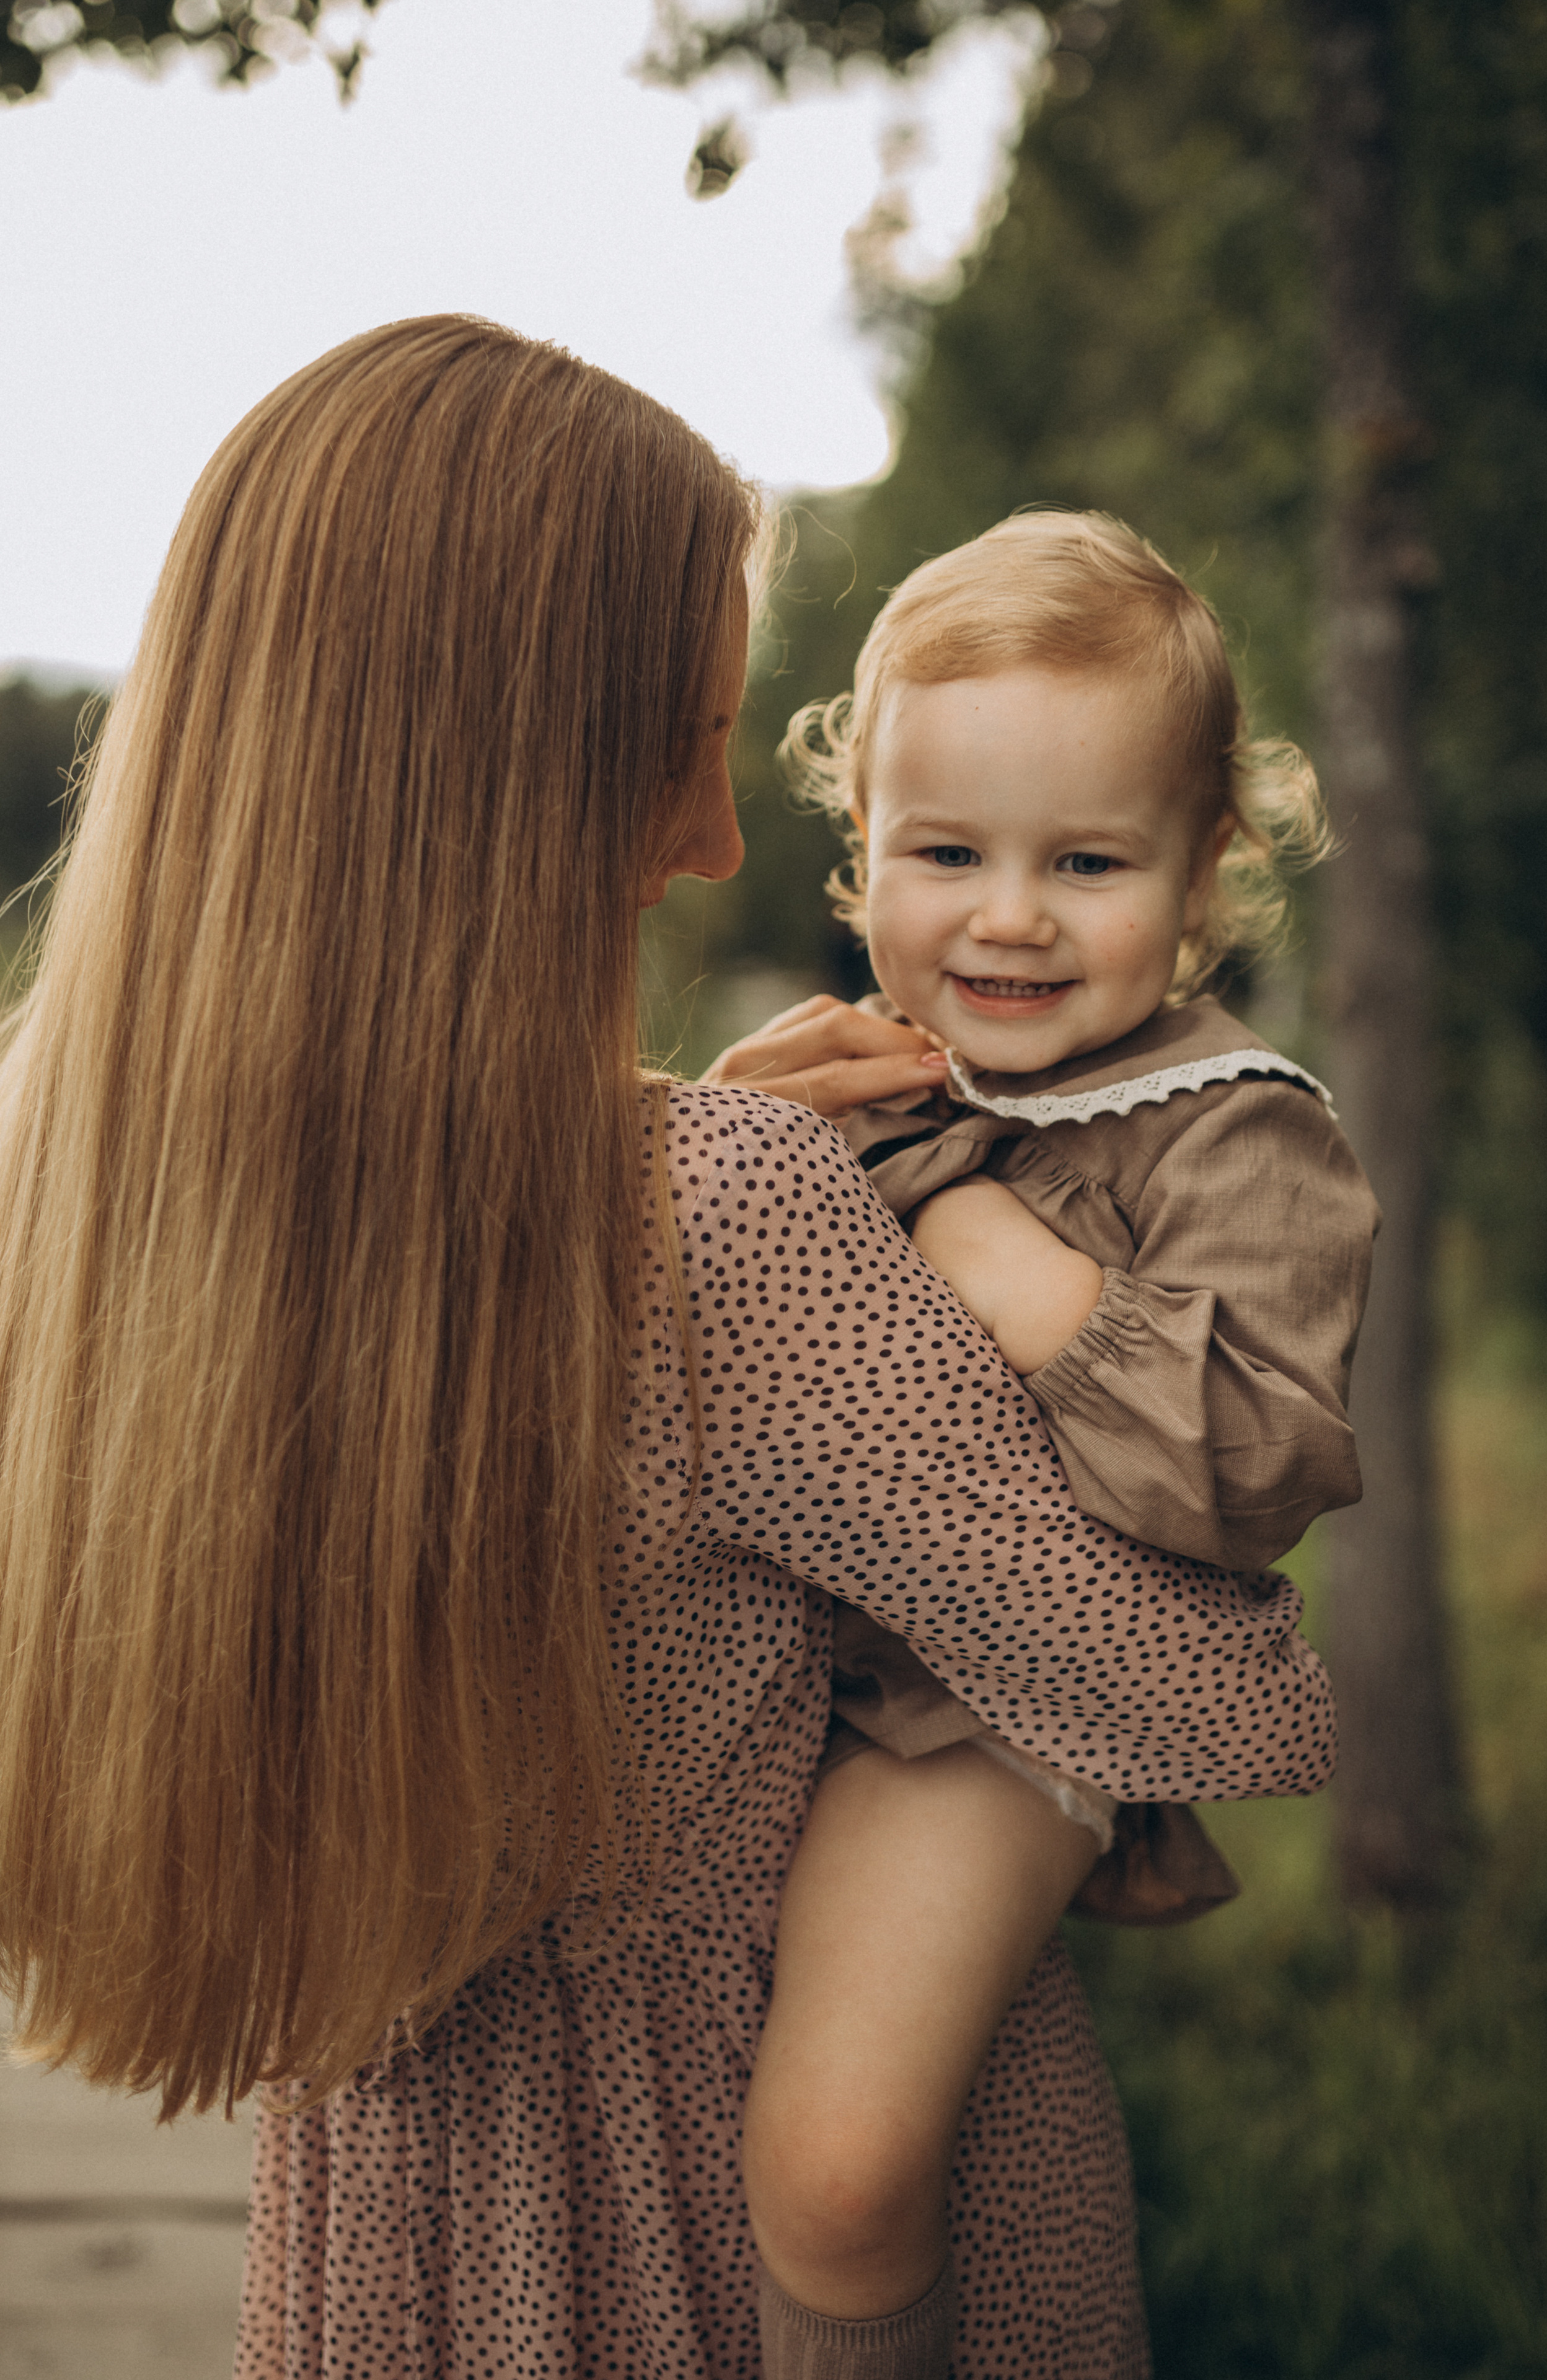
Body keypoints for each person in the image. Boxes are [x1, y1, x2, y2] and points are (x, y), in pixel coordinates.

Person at [0, 328, 1337, 2380]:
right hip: (729, 2209)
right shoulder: (719, 1213)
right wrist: (851, 1220)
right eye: (681, 743)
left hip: (396, 2223)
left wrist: (704, 1132)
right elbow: (1190, 1675)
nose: (720, 839)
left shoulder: (76, 1205)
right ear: (511, 769)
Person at [703, 510, 1377, 2367]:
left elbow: (1247, 1471)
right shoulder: (853, 1072)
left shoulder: (1234, 1133)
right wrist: (719, 1147)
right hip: (752, 1658)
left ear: (1203, 866)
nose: (1005, 915)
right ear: (864, 853)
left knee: (838, 2160)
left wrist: (976, 1234)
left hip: (987, 1707)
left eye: (1085, 860)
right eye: (946, 852)